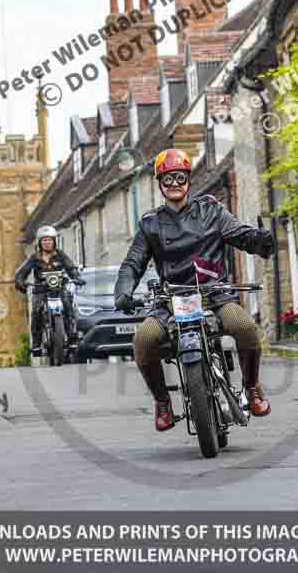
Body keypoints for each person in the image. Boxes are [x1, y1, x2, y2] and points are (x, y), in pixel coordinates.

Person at [115, 148, 275, 432]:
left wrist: (260, 240)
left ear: (188, 179)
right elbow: (133, 262)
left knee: (246, 327)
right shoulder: (150, 224)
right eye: (167, 179)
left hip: (214, 295)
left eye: (179, 177)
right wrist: (123, 291)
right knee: (143, 339)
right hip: (171, 301)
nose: (174, 184)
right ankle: (162, 402)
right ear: (160, 184)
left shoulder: (211, 210)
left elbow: (239, 234)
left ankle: (252, 388)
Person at [15, 225, 86, 355]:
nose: (47, 242)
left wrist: (76, 277)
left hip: (59, 288)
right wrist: (20, 281)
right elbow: (22, 272)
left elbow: (71, 268)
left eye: (50, 240)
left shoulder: (60, 255)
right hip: (41, 290)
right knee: (36, 312)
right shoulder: (34, 258)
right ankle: (36, 344)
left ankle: (72, 340)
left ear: (54, 241)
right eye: (44, 240)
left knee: (68, 308)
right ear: (40, 242)